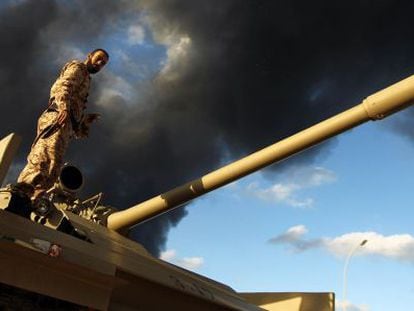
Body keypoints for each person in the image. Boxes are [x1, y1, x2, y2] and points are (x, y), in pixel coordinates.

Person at [18, 49, 109, 201]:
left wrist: (84, 121)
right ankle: (21, 193)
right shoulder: (79, 67)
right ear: (89, 56)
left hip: (66, 124)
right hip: (57, 118)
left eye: (103, 63)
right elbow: (62, 86)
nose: (100, 64)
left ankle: (32, 198)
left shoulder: (87, 79)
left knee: (53, 168)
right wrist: (64, 107)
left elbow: (76, 128)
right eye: (98, 58)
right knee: (44, 157)